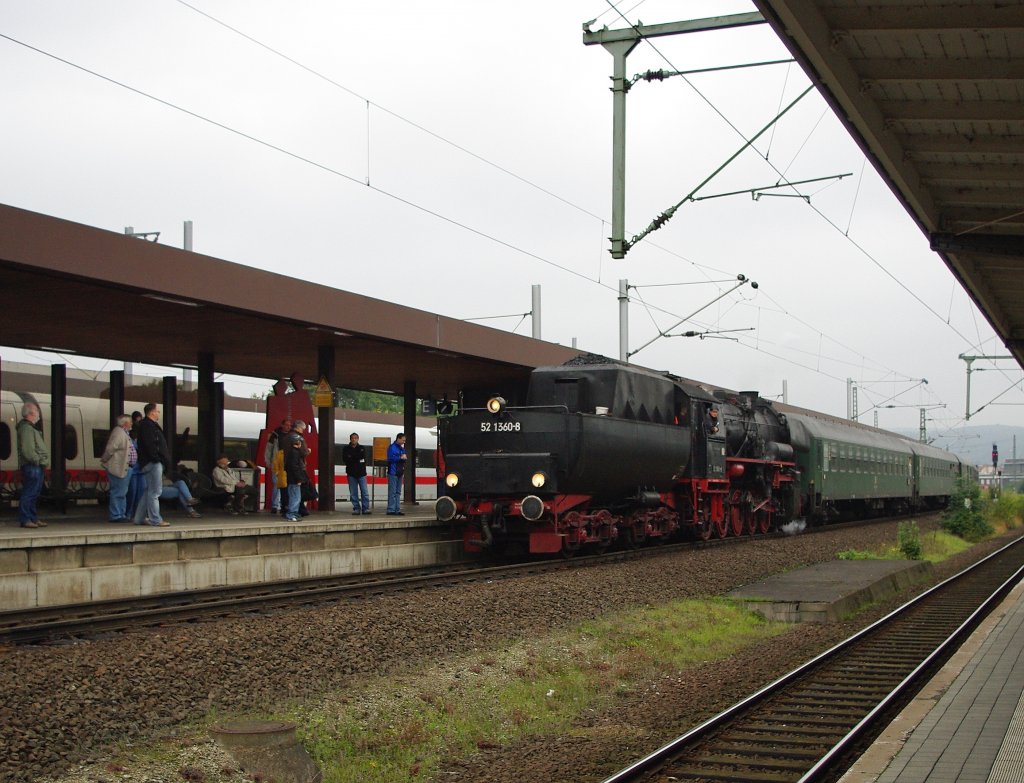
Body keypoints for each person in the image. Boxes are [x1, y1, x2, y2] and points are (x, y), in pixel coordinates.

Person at [132, 403, 171, 527]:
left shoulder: (146, 425)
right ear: (152, 412)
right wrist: (157, 459)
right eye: (157, 411)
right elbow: (151, 444)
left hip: (149, 462)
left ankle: (139, 518)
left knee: (149, 491)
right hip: (153, 462)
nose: (158, 413)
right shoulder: (148, 425)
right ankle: (155, 519)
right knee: (155, 492)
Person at [16, 402, 49, 529]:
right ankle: (26, 519)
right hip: (32, 466)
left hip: (35, 466)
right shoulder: (27, 429)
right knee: (29, 492)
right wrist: (38, 460)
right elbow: (28, 450)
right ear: (30, 413)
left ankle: (33, 518)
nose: (38, 413)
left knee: (34, 493)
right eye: (36, 410)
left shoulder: (30, 428)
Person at [100, 414, 135, 522]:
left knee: (122, 492)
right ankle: (116, 515)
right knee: (118, 492)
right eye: (130, 422)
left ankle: (121, 514)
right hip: (119, 468)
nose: (132, 424)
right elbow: (111, 448)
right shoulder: (119, 433)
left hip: (125, 468)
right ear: (125, 423)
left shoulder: (124, 433)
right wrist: (104, 459)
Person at [282, 420, 311, 522]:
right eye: (303, 428)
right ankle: (292, 514)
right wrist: (307, 451)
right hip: (296, 471)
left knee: (291, 493)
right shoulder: (297, 439)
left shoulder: (286, 437)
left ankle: (291, 512)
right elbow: (304, 452)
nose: (303, 430)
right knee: (296, 495)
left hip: (288, 469)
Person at [263, 418, 291, 513]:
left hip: (288, 463)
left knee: (286, 485)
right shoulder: (275, 435)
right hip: (277, 463)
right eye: (286, 425)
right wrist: (268, 461)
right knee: (276, 484)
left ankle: (285, 504)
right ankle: (275, 505)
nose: (288, 427)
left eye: (289, 425)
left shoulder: (292, 435)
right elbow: (269, 449)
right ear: (282, 425)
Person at [342, 432, 370, 515]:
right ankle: (356, 508)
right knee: (353, 493)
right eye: (352, 438)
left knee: (365, 492)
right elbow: (345, 459)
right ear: (350, 439)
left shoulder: (362, 448)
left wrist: (352, 457)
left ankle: (365, 508)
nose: (354, 439)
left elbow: (363, 458)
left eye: (355, 438)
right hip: (351, 473)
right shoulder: (346, 448)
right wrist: (356, 458)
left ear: (358, 439)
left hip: (361, 473)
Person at [125, 411, 145, 520]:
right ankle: (129, 513)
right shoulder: (130, 438)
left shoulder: (141, 438)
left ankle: (137, 514)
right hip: (133, 469)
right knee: (132, 493)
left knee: (140, 493)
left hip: (140, 469)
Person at [386, 432, 407, 516]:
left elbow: (404, 459)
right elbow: (390, 458)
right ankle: (391, 509)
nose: (404, 442)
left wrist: (404, 458)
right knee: (392, 491)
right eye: (403, 440)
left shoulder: (402, 449)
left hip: (400, 472)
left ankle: (397, 509)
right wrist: (400, 457)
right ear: (398, 439)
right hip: (393, 472)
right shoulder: (392, 447)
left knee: (398, 492)